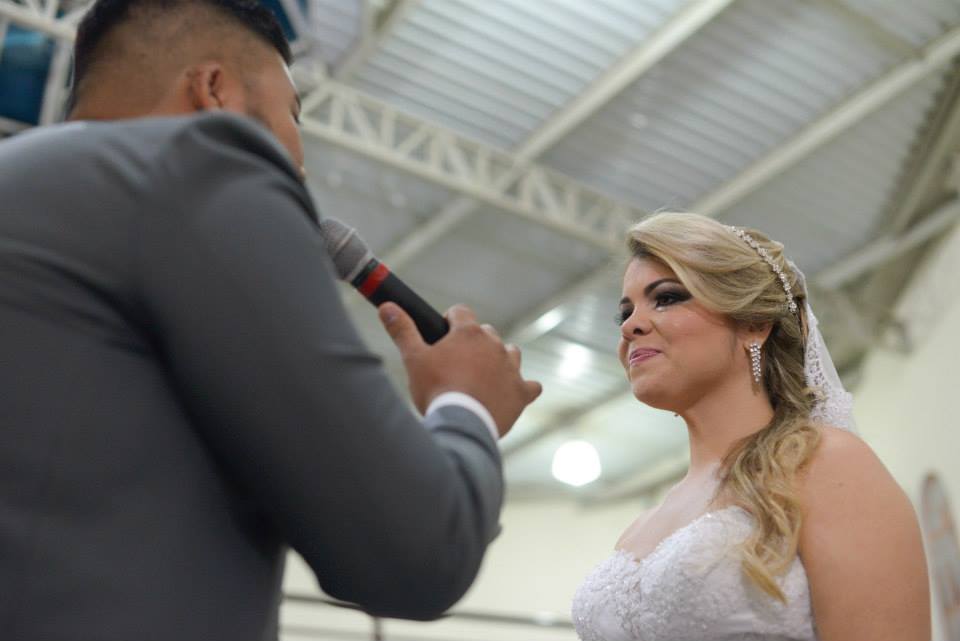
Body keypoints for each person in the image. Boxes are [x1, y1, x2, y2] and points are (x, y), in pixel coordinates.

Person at [0, 1, 541, 640]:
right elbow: (416, 552)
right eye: (293, 114)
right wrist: (466, 405)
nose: (299, 163)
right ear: (214, 90)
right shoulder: (198, 162)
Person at [572, 212, 930, 641]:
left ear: (754, 324)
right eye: (624, 313)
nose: (631, 326)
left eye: (666, 298)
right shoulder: (642, 527)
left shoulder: (825, 464)